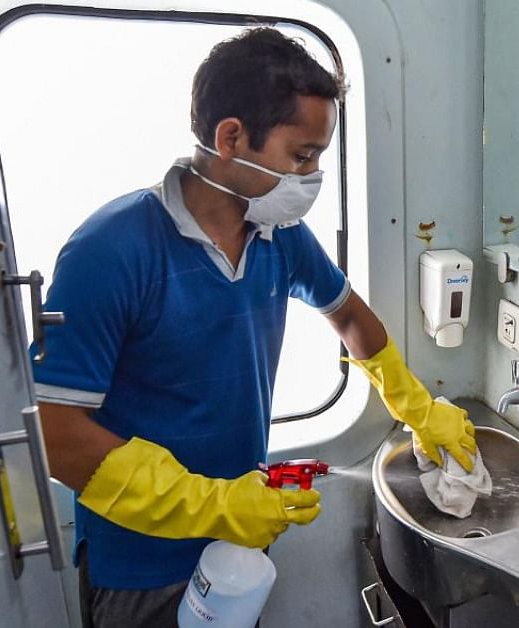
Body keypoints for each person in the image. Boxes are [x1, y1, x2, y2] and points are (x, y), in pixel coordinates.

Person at [30, 28, 478, 627]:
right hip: (142, 564)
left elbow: (347, 314)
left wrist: (418, 407)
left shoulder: (278, 235)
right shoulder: (111, 249)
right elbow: (57, 435)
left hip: (239, 537)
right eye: (301, 157)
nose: (314, 176)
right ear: (231, 137)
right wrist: (213, 504)